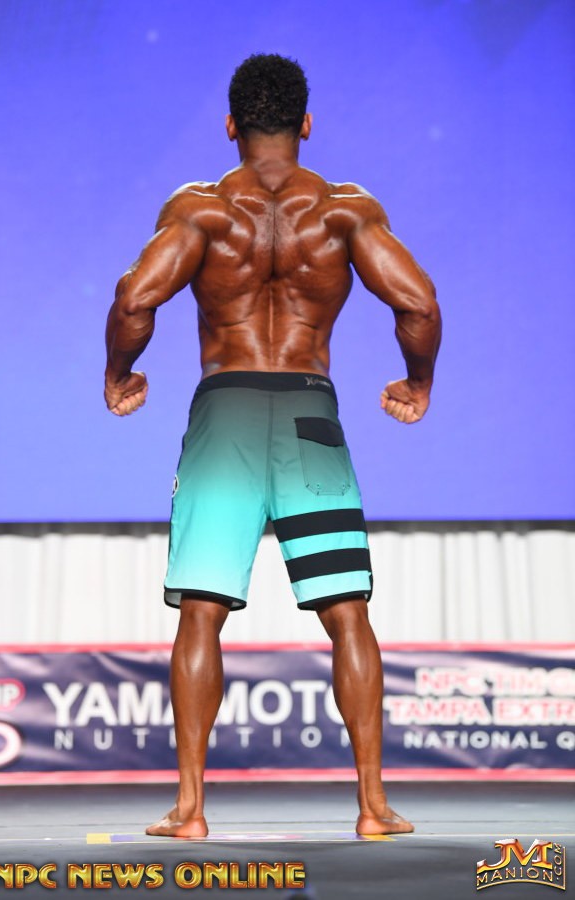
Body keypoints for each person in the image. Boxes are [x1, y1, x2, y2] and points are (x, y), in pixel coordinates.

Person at [104, 54, 441, 838]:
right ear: (307, 124)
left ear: (231, 125)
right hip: (308, 412)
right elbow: (419, 303)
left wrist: (119, 374)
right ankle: (372, 808)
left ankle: (191, 810)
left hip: (225, 411)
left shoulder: (200, 209)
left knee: (201, 610)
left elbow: (135, 296)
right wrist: (417, 383)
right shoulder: (345, 211)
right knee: (346, 611)